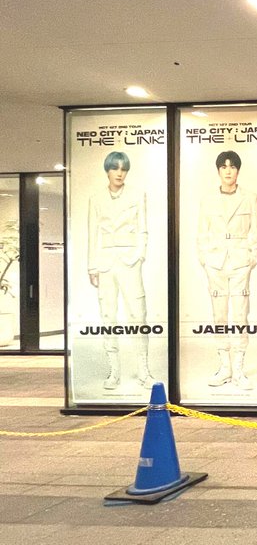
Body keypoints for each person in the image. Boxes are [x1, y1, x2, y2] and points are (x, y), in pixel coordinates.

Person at [197, 150, 257, 390]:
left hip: (240, 263)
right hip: (215, 264)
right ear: (218, 170)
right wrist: (206, 260)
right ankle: (224, 367)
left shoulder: (250, 197)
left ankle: (239, 369)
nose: (228, 171)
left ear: (238, 170)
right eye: (224, 167)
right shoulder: (208, 199)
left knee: (240, 315)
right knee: (219, 315)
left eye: (232, 166)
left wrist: (251, 259)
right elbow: (202, 233)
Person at [87, 151, 152, 390]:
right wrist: (92, 265)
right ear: (108, 170)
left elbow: (143, 228)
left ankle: (144, 370)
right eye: (115, 168)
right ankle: (114, 370)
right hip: (105, 262)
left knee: (138, 315)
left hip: (129, 260)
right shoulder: (96, 198)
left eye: (123, 169)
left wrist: (139, 255)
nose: (120, 173)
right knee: (108, 315)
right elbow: (92, 232)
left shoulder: (137, 194)